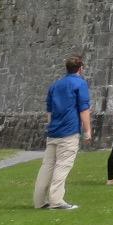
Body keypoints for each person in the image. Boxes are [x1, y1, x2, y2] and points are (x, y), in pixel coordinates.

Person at [33, 54, 92, 210]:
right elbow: (84, 109)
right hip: (69, 131)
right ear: (80, 68)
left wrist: (51, 126)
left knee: (47, 166)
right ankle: (56, 200)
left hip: (54, 131)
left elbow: (49, 111)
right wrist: (88, 131)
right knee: (63, 165)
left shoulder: (55, 85)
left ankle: (39, 200)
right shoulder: (80, 84)